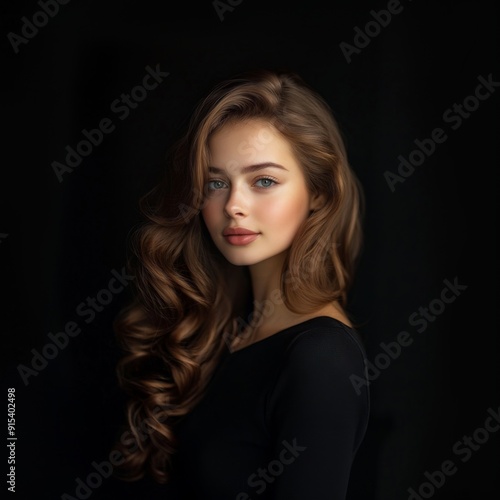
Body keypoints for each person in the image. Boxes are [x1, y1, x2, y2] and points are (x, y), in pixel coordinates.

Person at [112, 68, 370, 499]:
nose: (233, 205)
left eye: (263, 181)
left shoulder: (319, 358)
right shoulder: (231, 327)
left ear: (320, 193)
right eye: (216, 182)